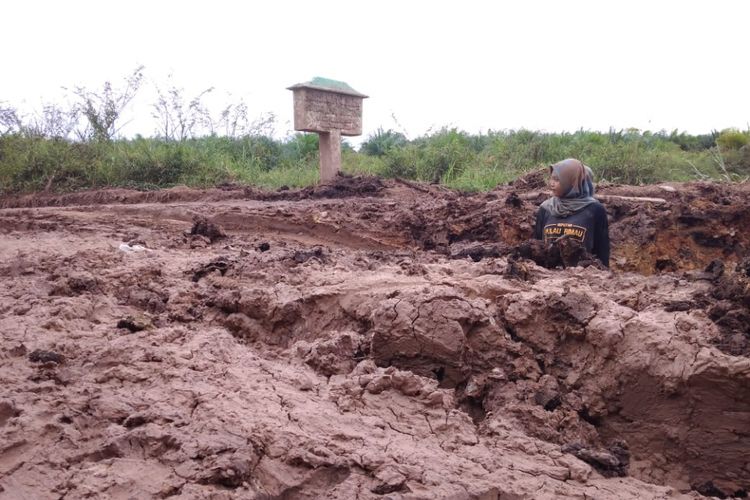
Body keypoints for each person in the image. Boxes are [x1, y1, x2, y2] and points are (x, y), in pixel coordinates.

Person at [533, 158, 610, 267]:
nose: (551, 184)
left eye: (557, 180)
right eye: (551, 179)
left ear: (572, 182)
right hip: (548, 280)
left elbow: (602, 252)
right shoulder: (546, 208)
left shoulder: (594, 210)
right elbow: (536, 248)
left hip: (581, 279)